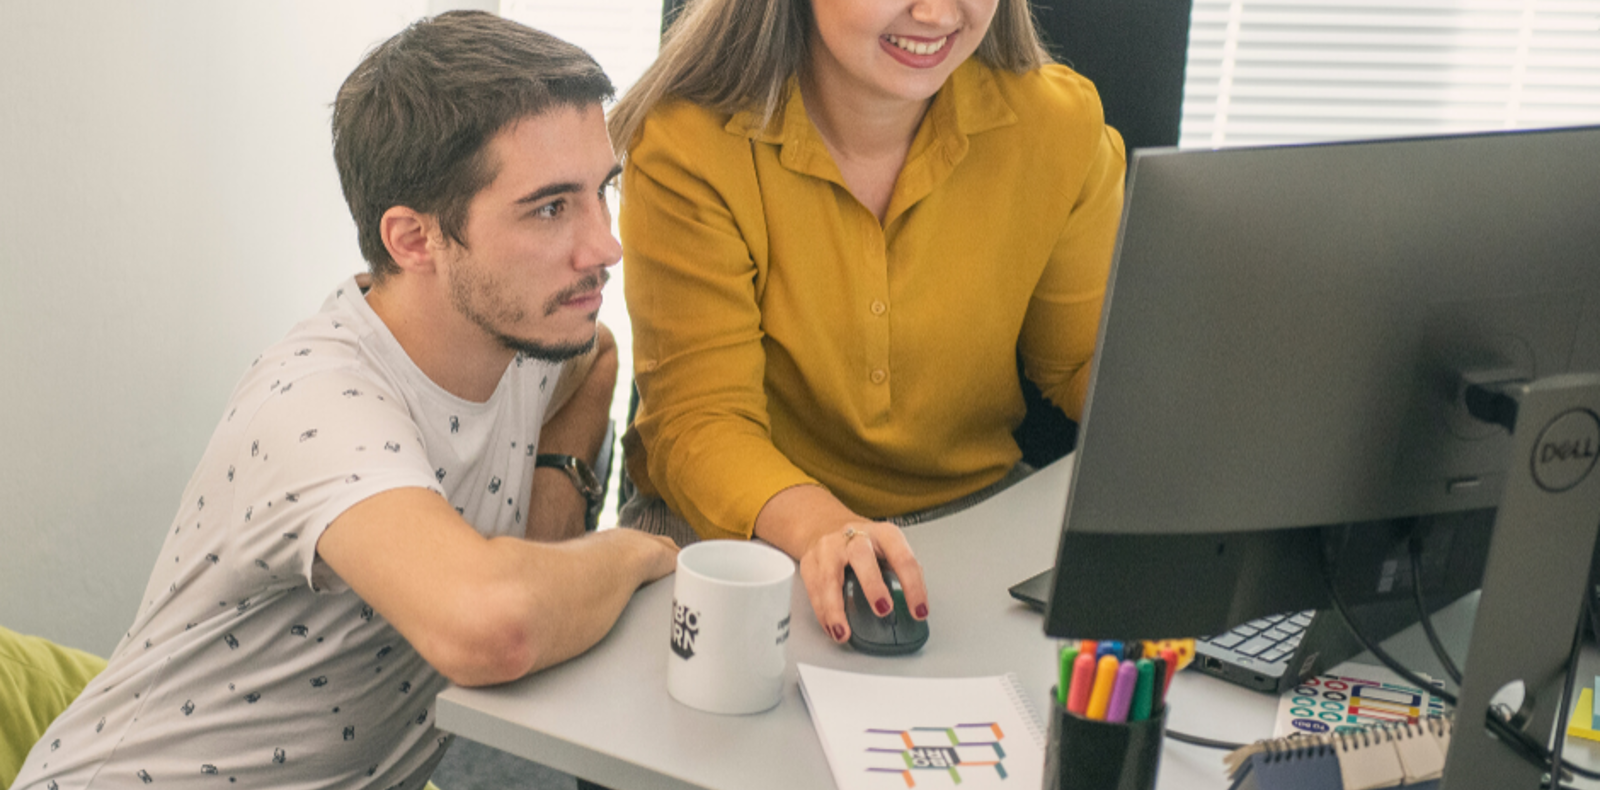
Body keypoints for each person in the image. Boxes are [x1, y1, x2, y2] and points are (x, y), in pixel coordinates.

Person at [13, 11, 677, 790]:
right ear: (413, 239)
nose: (605, 246)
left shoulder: (539, 339)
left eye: (604, 191)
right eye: (551, 208)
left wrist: (560, 478)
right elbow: (489, 628)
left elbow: (598, 362)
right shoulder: (318, 407)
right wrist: (645, 548)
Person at [608, 0, 1125, 644]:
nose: (936, 13)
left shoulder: (1060, 125)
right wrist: (827, 529)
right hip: (744, 527)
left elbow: (1079, 364)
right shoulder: (688, 140)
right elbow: (700, 422)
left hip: (976, 519)